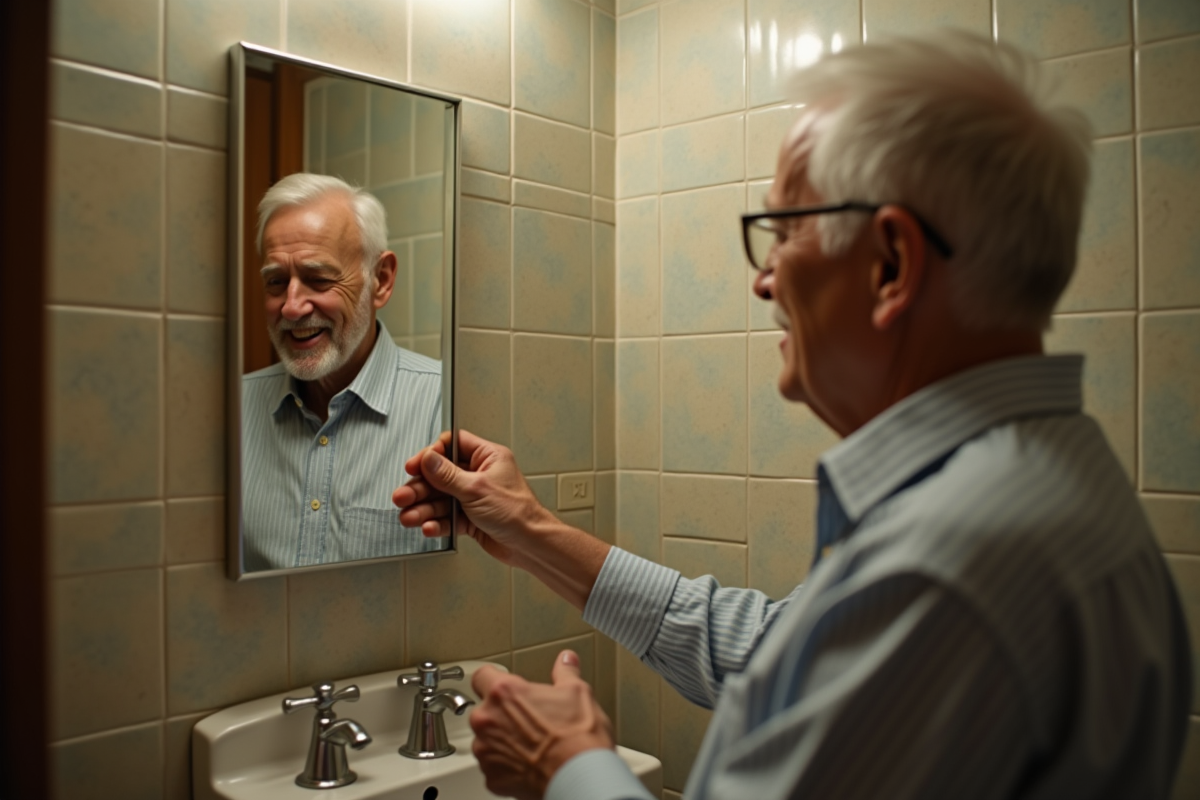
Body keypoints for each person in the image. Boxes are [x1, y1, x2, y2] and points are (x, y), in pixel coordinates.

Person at [394, 31, 1192, 800]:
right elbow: (775, 653)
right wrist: (532, 530)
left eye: (780, 233)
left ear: (890, 265)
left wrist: (567, 766)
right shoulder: (1032, 489)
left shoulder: (952, 564)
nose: (763, 281)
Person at [242, 173, 444, 571]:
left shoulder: (447, 407)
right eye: (276, 282)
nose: (292, 308)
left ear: (380, 281)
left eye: (318, 279)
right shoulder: (231, 411)